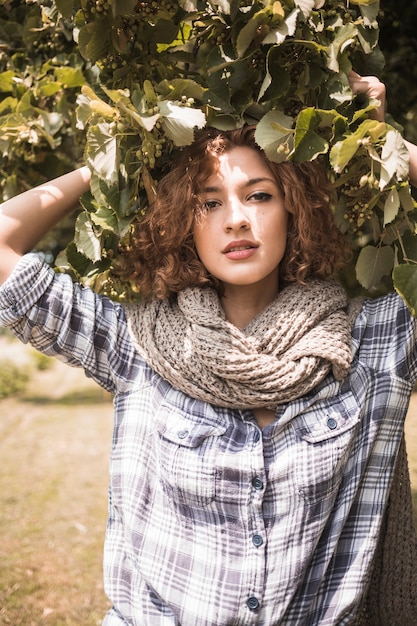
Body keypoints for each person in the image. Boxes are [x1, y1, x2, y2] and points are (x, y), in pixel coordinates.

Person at [0, 75, 416, 626]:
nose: (236, 218)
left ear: (294, 210)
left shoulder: (372, 345)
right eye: (208, 202)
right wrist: (115, 159)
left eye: (259, 195)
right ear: (182, 221)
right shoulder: (136, 344)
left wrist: (381, 146)